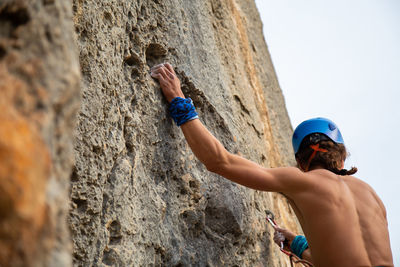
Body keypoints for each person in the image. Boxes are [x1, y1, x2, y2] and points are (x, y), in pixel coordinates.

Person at [150, 63, 393, 267]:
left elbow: (219, 161)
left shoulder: (301, 181)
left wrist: (179, 101)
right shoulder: (372, 197)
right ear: (341, 157)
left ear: (301, 162)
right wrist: (298, 244)